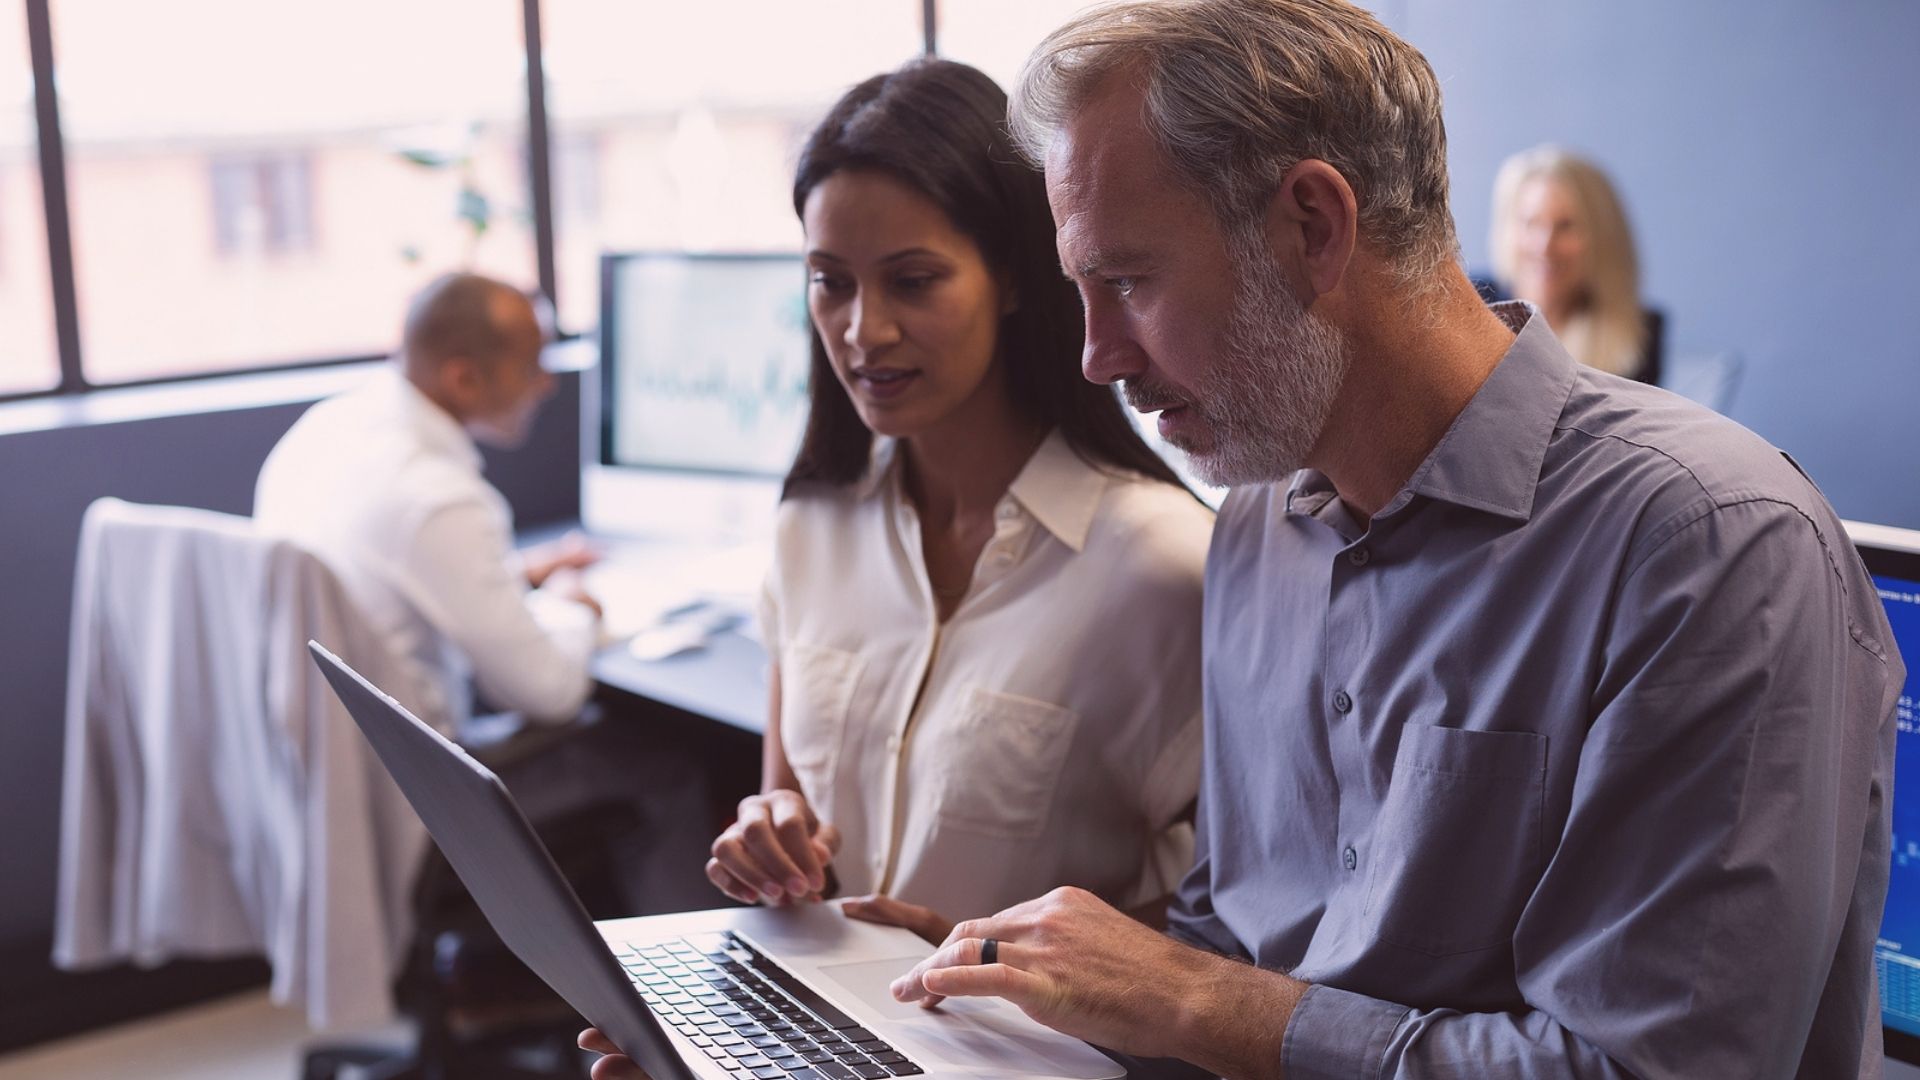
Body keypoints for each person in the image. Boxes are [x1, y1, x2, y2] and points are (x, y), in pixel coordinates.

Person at [872, 3, 1899, 1078]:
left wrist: (1191, 1000)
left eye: (1126, 281)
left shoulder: (1708, 547)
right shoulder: (1260, 526)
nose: (1096, 356)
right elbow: (1233, 947)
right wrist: (1009, 983)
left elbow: (1649, 1069)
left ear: (1315, 224)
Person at [580, 57, 1212, 1078]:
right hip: (823, 1041)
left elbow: (1227, 942)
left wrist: (985, 951)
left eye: (911, 281)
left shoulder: (1161, 568)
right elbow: (785, 815)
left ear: (1014, 273)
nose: (861, 331)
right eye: (830, 282)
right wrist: (765, 834)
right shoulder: (810, 529)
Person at [255, 272, 602, 732]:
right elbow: (549, 693)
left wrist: (514, 574)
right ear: (463, 379)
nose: (546, 385)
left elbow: (395, 582)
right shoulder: (436, 499)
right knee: (669, 763)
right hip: (422, 787)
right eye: (530, 367)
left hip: (326, 757)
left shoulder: (325, 429)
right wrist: (570, 606)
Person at [1487, 145, 1663, 384]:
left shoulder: (1637, 334)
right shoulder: (1469, 301)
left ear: (1603, 237)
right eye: (1531, 223)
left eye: (1566, 226)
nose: (1545, 246)